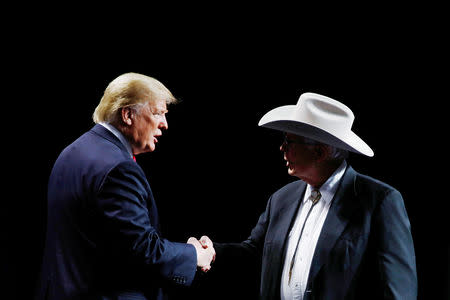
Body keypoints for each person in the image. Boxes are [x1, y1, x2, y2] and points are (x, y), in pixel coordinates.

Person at [194, 92, 417, 299]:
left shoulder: (379, 202)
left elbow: (398, 291)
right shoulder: (281, 199)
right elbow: (254, 252)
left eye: (289, 141)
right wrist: (213, 252)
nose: (281, 148)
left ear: (319, 152)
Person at [35, 72, 215, 300]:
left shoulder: (73, 151)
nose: (165, 124)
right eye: (158, 113)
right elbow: (142, 250)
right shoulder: (118, 168)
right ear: (128, 114)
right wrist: (194, 254)